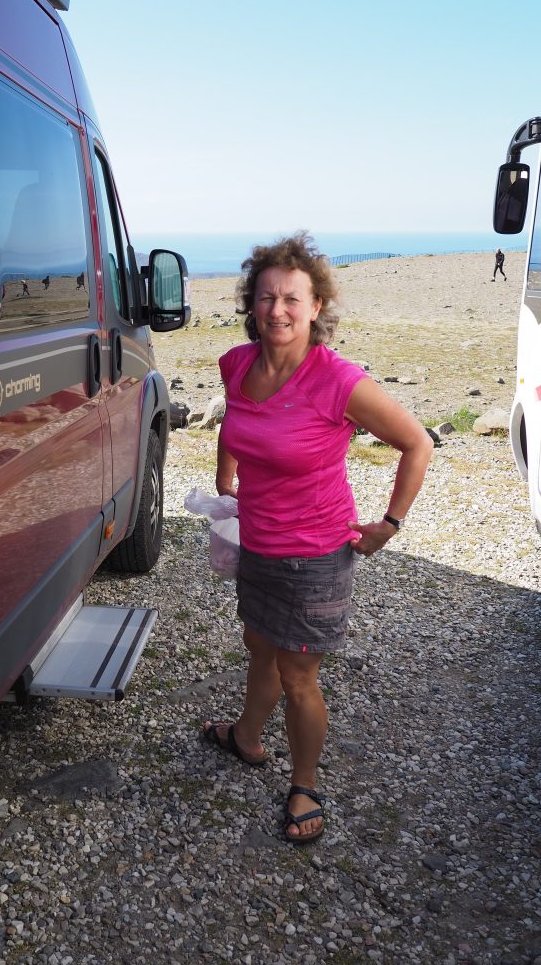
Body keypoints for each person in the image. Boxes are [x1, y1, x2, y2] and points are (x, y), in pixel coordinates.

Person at [201, 232, 433, 844]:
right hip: (256, 543)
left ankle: (304, 784)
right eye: (266, 297)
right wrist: (226, 474)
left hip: (316, 556)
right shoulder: (237, 364)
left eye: (291, 299)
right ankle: (246, 738)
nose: (277, 310)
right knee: (259, 647)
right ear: (251, 304)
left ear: (315, 307)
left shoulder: (339, 381)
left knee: (299, 675)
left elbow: (417, 443)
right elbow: (235, 419)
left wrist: (390, 524)